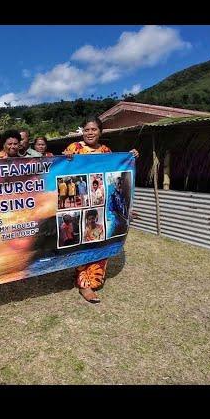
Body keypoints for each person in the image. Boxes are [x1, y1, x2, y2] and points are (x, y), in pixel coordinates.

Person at [63, 116, 139, 304]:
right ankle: (84, 284)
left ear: (100, 132)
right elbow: (62, 172)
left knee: (99, 240)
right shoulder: (74, 148)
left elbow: (114, 178)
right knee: (81, 240)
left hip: (101, 204)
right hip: (79, 204)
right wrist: (65, 158)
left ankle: (92, 279)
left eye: (94, 130)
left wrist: (130, 157)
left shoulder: (106, 151)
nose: (90, 133)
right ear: (83, 131)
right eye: (87, 130)